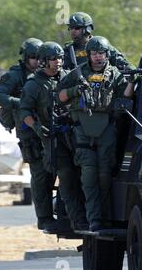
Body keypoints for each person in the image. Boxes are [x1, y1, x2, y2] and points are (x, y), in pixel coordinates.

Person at [57, 36, 134, 232]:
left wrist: (133, 81)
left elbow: (124, 97)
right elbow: (60, 96)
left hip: (106, 129)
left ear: (107, 54)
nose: (98, 57)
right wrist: (76, 89)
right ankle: (94, 220)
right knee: (89, 176)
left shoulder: (115, 74)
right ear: (89, 54)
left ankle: (106, 219)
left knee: (104, 176)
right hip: (82, 130)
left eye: (101, 53)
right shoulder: (77, 73)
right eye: (94, 53)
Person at [19, 41, 88, 231]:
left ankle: (86, 216)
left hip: (74, 135)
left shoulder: (68, 77)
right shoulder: (34, 84)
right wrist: (37, 128)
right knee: (64, 177)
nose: (57, 62)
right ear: (43, 61)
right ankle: (76, 220)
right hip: (52, 138)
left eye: (59, 58)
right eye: (53, 59)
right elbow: (24, 111)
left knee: (85, 175)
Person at [0, 38, 58, 231]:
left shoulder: (47, 74)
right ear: (25, 58)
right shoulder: (15, 75)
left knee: (57, 170)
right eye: (32, 58)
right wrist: (20, 102)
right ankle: (44, 217)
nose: (36, 61)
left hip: (49, 129)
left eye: (39, 57)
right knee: (39, 174)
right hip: (28, 131)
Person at [63, 12, 134, 71]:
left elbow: (123, 63)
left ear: (88, 29)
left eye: (77, 28)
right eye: (71, 28)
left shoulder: (102, 46)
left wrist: (132, 71)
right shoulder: (68, 50)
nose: (73, 31)